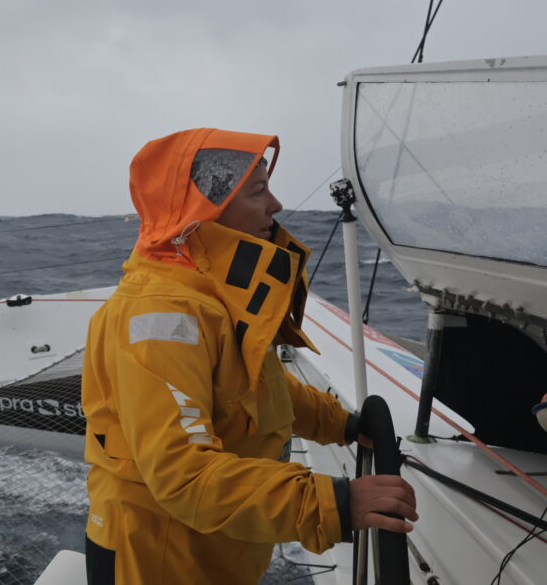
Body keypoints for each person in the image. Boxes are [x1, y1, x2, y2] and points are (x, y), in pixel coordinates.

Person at [82, 128, 418, 584]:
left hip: (214, 545)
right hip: (160, 557)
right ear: (206, 209)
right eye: (258, 192)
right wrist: (336, 503)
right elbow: (184, 475)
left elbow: (257, 385)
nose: (275, 205)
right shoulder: (161, 314)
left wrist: (340, 423)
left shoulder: (211, 292)